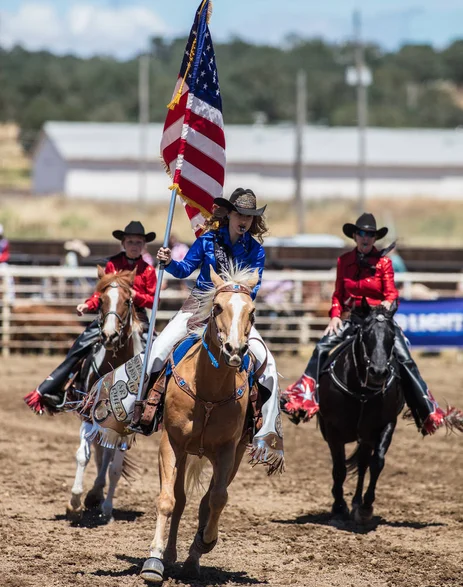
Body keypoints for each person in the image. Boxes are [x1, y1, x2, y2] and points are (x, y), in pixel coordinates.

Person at [89, 188, 284, 463]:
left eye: (250, 217)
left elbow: (254, 286)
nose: (245, 221)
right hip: (197, 307)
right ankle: (136, 410)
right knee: (157, 350)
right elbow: (184, 269)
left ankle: (264, 431)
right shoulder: (207, 241)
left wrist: (231, 299)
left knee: (269, 365)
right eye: (240, 214)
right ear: (228, 214)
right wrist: (168, 263)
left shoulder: (256, 250)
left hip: (233, 314)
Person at [281, 212, 457, 436]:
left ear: (374, 238)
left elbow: (392, 294)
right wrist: (335, 315)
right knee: (322, 347)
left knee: (405, 358)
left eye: (370, 234)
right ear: (355, 236)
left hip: (379, 321)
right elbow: (338, 294)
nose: (366, 238)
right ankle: (304, 400)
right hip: (353, 319)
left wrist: (384, 306)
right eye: (362, 233)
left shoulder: (384, 263)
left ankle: (426, 410)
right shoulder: (343, 261)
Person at [24, 221, 157, 414]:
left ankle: (154, 398)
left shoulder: (149, 270)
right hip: (111, 313)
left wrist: (138, 297)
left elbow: (153, 300)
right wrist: (88, 304)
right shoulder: (112, 264)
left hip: (136, 316)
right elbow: (100, 294)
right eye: (130, 242)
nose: (134, 246)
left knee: (157, 351)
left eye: (138, 242)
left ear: (144, 245)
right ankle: (63, 389)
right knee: (81, 346)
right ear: (123, 243)